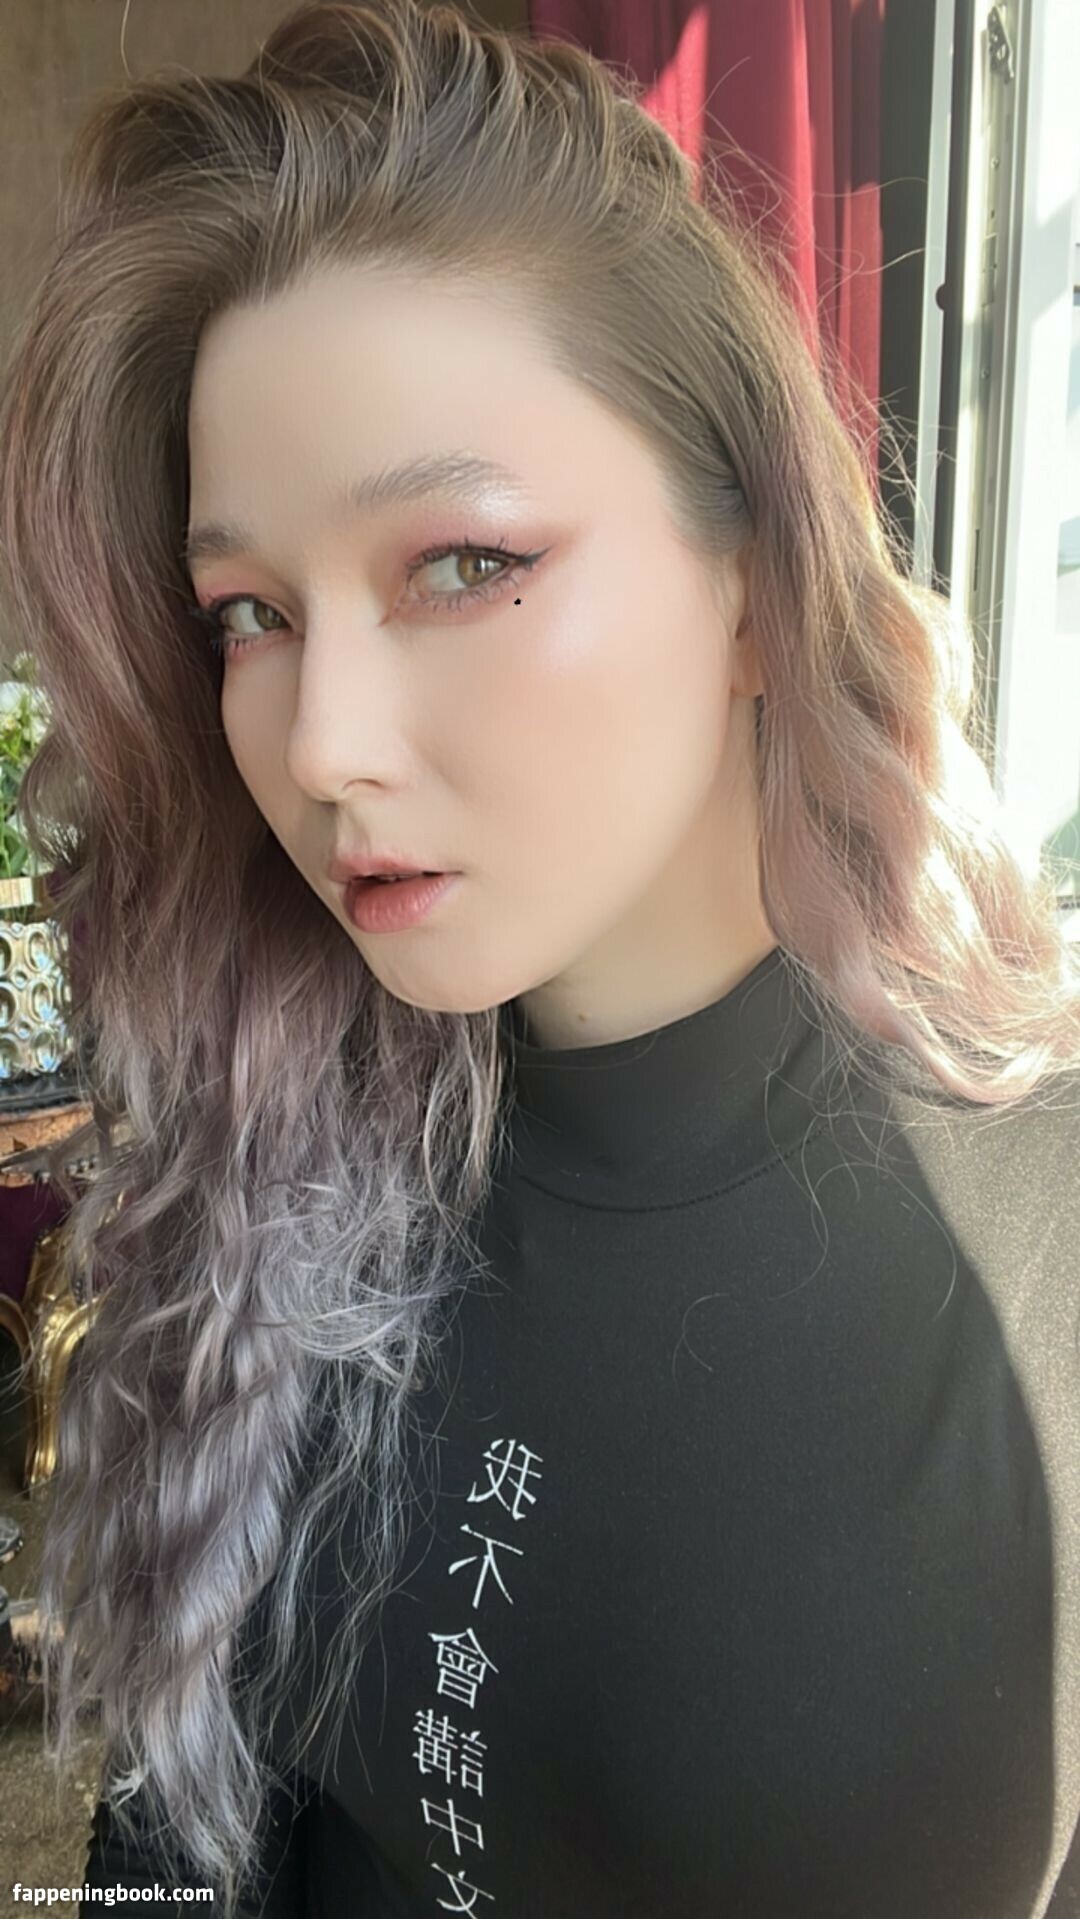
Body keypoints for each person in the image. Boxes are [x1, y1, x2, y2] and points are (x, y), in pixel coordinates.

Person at [0, 2, 1077, 1914]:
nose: (321, 744)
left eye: (464, 564)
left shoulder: (1040, 1240)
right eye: (250, 612)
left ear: (756, 579)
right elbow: (171, 1844)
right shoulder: (275, 1173)